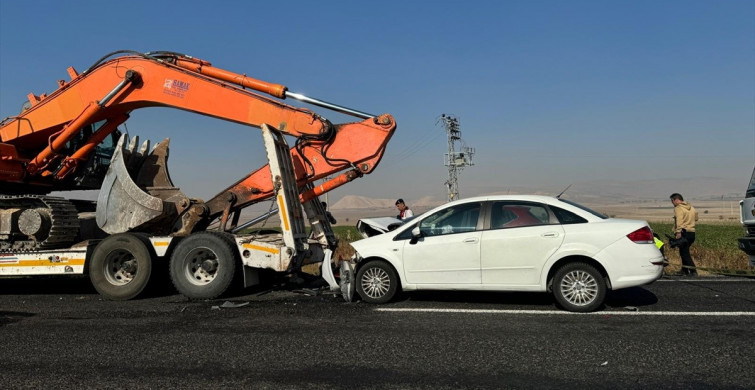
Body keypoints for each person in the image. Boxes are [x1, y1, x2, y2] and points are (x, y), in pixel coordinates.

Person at [670, 193, 698, 276]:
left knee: (685, 253)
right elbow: (696, 218)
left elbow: (679, 220)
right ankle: (684, 270)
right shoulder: (691, 207)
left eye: (672, 201)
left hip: (683, 233)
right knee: (683, 251)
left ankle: (693, 271)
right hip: (692, 233)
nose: (672, 203)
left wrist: (678, 232)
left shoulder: (678, 208)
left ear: (676, 200)